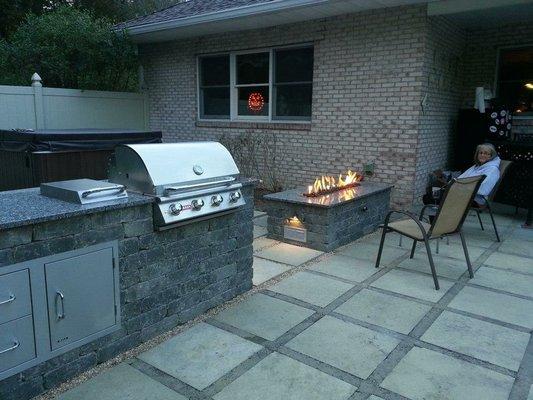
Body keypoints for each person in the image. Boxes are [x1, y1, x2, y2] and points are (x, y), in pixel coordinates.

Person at [423, 143, 501, 207]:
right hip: (462, 193)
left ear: (491, 156)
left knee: (432, 198)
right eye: (481, 153)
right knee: (431, 193)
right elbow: (461, 178)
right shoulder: (477, 166)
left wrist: (460, 188)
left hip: (475, 199)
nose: (482, 155)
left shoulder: (492, 170)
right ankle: (437, 222)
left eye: (486, 154)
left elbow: (483, 189)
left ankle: (438, 222)